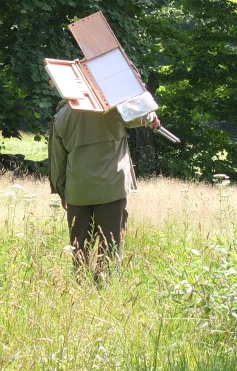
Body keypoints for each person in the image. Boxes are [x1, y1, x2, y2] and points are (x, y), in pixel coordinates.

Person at [48, 101, 161, 281]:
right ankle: (105, 290)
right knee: (110, 247)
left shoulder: (62, 114)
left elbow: (57, 158)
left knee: (80, 250)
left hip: (78, 190)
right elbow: (140, 114)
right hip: (112, 188)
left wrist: (62, 191)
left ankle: (81, 292)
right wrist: (152, 117)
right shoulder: (113, 106)